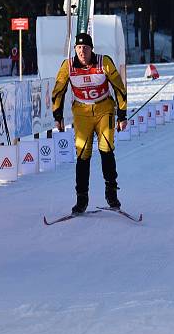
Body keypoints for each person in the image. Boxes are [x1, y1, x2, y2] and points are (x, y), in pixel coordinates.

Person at [52, 33, 128, 214]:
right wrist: (58, 116)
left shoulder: (104, 62)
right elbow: (58, 91)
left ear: (91, 49)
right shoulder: (68, 66)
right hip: (81, 113)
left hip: (104, 110)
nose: (82, 52)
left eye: (85, 48)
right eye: (78, 48)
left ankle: (111, 194)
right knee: (83, 153)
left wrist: (122, 115)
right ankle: (81, 199)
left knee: (106, 148)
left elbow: (119, 88)